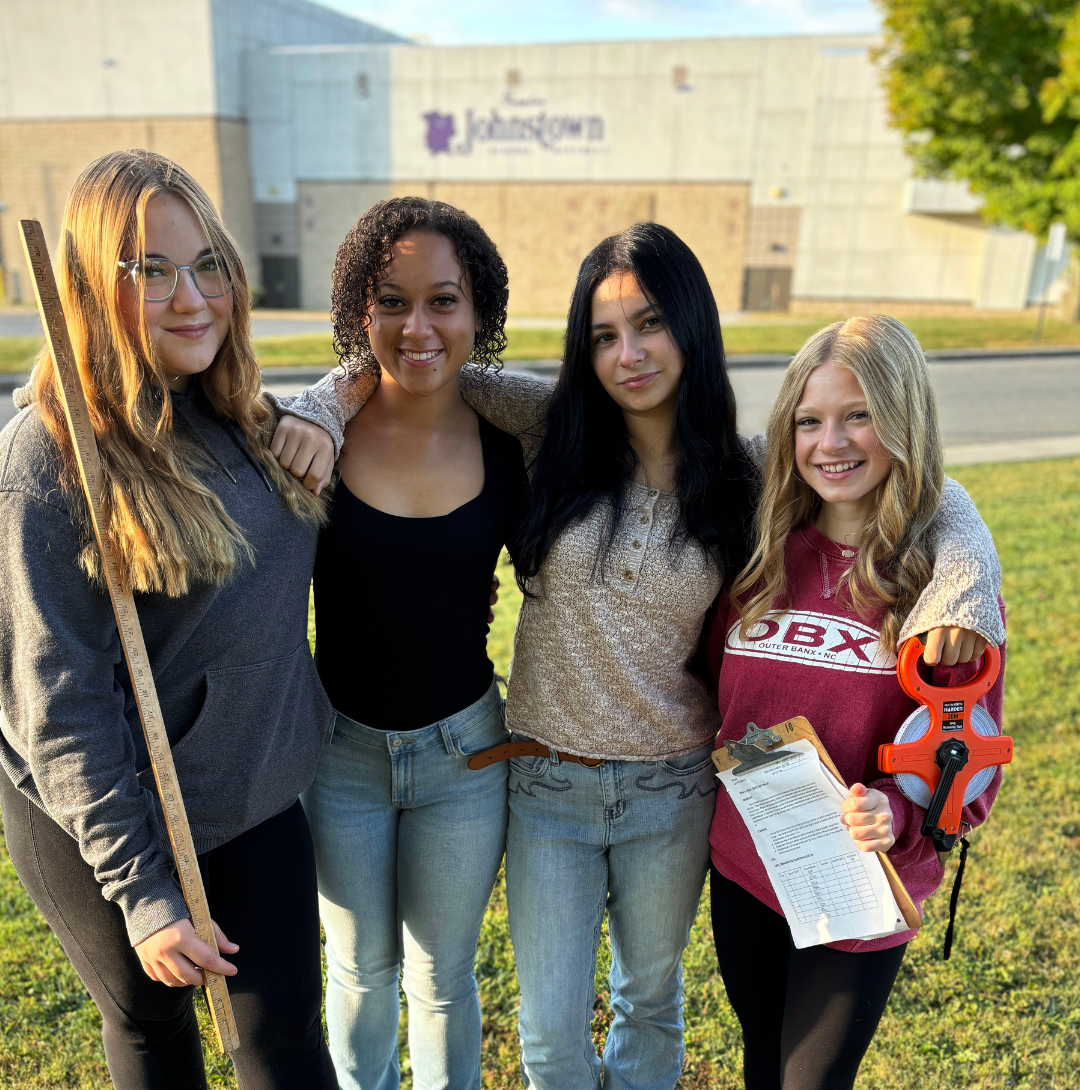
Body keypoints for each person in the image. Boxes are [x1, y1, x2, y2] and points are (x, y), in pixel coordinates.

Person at [276, 222, 1003, 1090]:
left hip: (674, 788)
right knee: (548, 1038)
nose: (629, 353)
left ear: (691, 325)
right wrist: (317, 406)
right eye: (604, 333)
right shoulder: (550, 429)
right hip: (547, 781)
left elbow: (925, 481)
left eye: (651, 323)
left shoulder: (746, 472)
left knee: (648, 1004)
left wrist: (964, 585)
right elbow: (417, 360)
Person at [0, 149, 337, 1090]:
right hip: (110, 818)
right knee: (157, 1034)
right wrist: (147, 897)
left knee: (287, 1044)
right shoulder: (38, 475)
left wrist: (326, 416)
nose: (192, 296)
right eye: (151, 270)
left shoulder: (236, 417)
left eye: (208, 263)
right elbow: (64, 712)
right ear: (91, 286)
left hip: (250, 794)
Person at [703, 314, 1006, 1090]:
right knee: (762, 1064)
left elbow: (966, 768)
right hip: (747, 867)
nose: (829, 443)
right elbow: (716, 699)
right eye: (809, 421)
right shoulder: (761, 558)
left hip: (860, 886)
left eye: (858, 415)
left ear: (901, 420)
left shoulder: (944, 588)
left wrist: (896, 813)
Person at [273, 197, 527, 1090]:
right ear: (359, 313)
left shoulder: (513, 448)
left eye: (443, 300)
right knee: (358, 971)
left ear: (478, 313)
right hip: (337, 753)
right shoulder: (313, 441)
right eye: (391, 300)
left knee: (443, 978)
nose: (416, 326)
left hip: (465, 756)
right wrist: (318, 401)